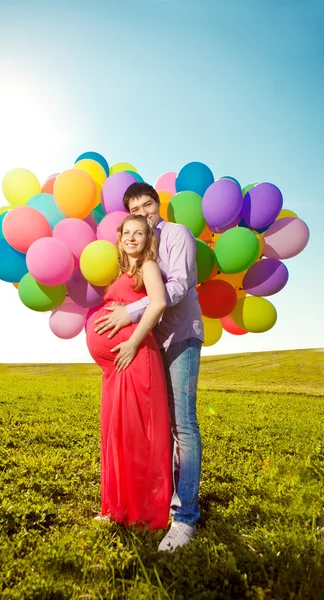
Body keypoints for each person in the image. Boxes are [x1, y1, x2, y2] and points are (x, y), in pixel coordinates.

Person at [94, 182, 204, 552]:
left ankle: (185, 517)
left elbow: (178, 287)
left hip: (181, 336)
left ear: (159, 205)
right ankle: (146, 498)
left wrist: (131, 312)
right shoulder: (142, 250)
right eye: (135, 210)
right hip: (153, 345)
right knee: (157, 427)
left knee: (182, 425)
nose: (144, 212)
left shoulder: (176, 235)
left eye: (148, 205)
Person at [86, 214, 172, 530]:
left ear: (148, 239)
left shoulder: (148, 267)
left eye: (139, 233)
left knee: (136, 437)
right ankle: (115, 507)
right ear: (120, 238)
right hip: (117, 367)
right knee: (116, 433)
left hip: (135, 358)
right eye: (127, 233)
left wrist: (132, 343)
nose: (132, 238)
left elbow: (159, 302)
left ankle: (141, 512)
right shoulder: (126, 271)